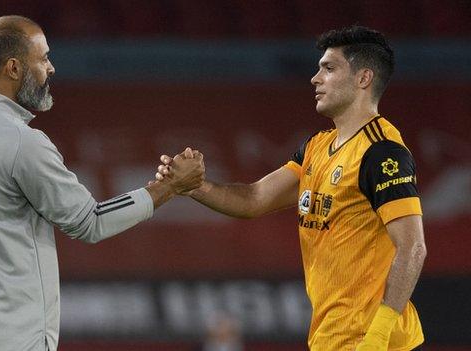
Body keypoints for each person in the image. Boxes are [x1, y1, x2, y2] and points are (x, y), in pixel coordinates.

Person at [0, 15, 204, 351]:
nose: (51, 68)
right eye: (44, 58)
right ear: (14, 68)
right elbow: (90, 222)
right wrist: (169, 188)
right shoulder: (22, 142)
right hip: (18, 341)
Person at [157, 26, 426, 350]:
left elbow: (412, 248)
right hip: (330, 340)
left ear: (363, 79)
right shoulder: (316, 148)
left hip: (376, 344)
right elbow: (255, 198)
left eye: (328, 68)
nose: (315, 78)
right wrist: (194, 186)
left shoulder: (382, 153)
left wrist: (378, 338)